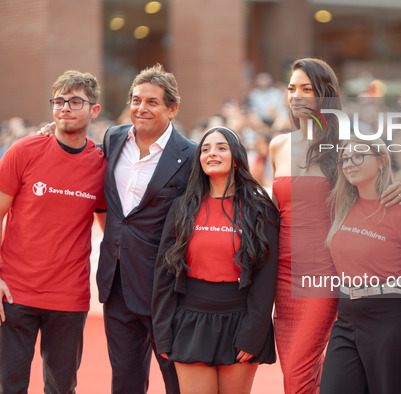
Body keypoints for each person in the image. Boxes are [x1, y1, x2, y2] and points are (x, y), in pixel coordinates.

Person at [270, 57, 401, 393]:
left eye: (307, 89)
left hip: (325, 273)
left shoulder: (346, 145)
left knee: (298, 376)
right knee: (294, 372)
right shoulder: (278, 146)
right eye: (292, 88)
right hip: (282, 277)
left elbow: (377, 194)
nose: (297, 96)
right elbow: (276, 212)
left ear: (325, 96)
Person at [0, 70, 106, 393]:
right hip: (15, 292)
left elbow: (112, 229)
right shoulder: (24, 151)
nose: (65, 109)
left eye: (75, 102)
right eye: (59, 101)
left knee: (62, 388)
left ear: (94, 110)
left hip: (69, 298)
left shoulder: (101, 164)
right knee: (9, 386)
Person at [152, 126, 279, 394]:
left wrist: (254, 333)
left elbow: (266, 278)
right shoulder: (183, 206)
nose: (212, 153)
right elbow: (164, 272)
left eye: (221, 147)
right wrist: (162, 331)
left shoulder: (260, 209)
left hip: (240, 320)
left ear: (237, 156)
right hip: (189, 322)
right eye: (206, 149)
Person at [98, 63, 197, 394]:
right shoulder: (112, 139)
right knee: (124, 380)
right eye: (136, 99)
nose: (141, 108)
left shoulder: (191, 156)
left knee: (176, 380)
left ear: (172, 107)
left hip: (165, 288)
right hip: (115, 284)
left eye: (152, 102)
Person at [319, 136, 401, 394]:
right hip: (346, 316)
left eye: (359, 156)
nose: (349, 163)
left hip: (389, 316)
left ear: (382, 161)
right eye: (345, 159)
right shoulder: (341, 206)